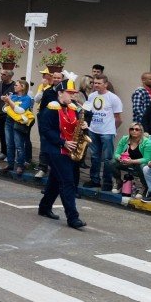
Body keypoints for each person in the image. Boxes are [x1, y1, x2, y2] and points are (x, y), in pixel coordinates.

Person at [38, 74, 87, 229]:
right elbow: (45, 130)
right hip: (55, 149)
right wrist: (63, 142)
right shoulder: (51, 108)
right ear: (60, 93)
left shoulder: (73, 109)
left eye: (74, 93)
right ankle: (73, 218)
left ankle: (44, 207)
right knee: (67, 182)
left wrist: (84, 125)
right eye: (69, 93)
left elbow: (75, 127)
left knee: (55, 180)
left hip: (68, 150)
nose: (73, 96)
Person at [83, 74, 123, 191]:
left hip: (107, 132)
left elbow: (118, 118)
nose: (96, 85)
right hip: (93, 130)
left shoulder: (113, 98)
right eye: (95, 83)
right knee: (95, 157)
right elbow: (87, 112)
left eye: (99, 83)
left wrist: (112, 130)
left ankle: (107, 182)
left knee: (108, 158)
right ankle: (95, 180)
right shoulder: (91, 96)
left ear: (105, 84)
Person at [1, 80, 34, 175]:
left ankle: (20, 165)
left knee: (19, 145)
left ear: (23, 87)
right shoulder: (14, 96)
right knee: (9, 144)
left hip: (18, 123)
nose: (14, 86)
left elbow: (20, 111)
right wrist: (8, 102)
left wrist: (9, 101)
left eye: (16, 85)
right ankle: (10, 164)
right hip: (9, 121)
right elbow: (4, 109)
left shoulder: (27, 98)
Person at [110, 123, 151, 196]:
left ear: (141, 131)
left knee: (143, 166)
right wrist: (120, 158)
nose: (134, 131)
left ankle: (144, 187)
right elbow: (116, 153)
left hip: (138, 164)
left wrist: (132, 161)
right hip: (125, 162)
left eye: (137, 129)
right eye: (132, 129)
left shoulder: (147, 142)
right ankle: (119, 182)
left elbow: (147, 159)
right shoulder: (124, 139)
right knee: (112, 162)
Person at [0, 70, 15, 161]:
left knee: (9, 135)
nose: (1, 76)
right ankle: (3, 152)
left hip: (7, 114)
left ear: (10, 76)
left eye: (4, 74)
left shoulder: (14, 86)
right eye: (1, 74)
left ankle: (10, 154)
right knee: (0, 133)